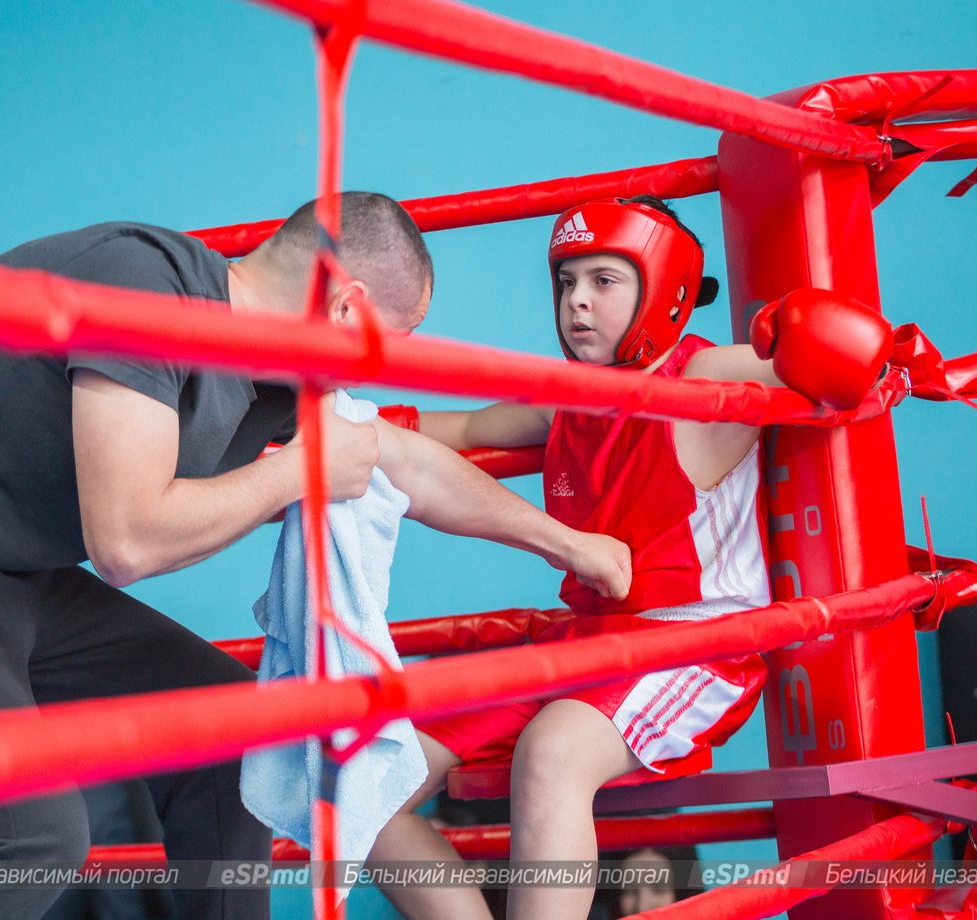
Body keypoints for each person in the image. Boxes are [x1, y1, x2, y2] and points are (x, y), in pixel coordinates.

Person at [0, 192, 630, 920]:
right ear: (344, 307)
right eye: (375, 347)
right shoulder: (149, 289)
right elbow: (125, 542)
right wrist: (297, 477)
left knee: (223, 739)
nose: (365, 377)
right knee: (30, 834)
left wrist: (568, 528)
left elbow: (408, 458)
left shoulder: (268, 382)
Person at [367, 195, 893, 919]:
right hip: (586, 643)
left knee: (553, 751)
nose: (577, 301)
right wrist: (338, 421)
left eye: (604, 281)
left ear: (664, 288)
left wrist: (812, 339)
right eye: (566, 282)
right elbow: (460, 425)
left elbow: (852, 357)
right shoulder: (568, 400)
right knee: (365, 784)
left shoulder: (707, 377)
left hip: (695, 643)